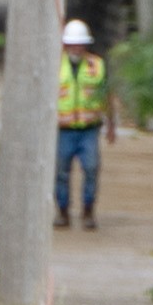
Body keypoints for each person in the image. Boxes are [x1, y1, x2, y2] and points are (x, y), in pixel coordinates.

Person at [54, 18, 106, 232]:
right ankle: (63, 211)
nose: (77, 48)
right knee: (61, 171)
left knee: (92, 169)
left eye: (80, 44)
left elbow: (106, 94)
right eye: (72, 44)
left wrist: (111, 125)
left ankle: (88, 211)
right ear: (65, 45)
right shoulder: (55, 65)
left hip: (89, 129)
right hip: (64, 129)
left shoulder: (97, 66)